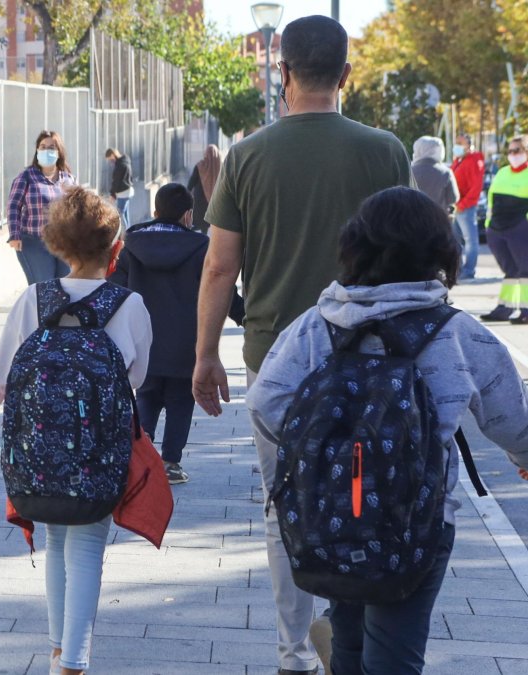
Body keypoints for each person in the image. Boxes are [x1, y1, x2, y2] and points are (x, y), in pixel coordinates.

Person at [248, 186, 528, 675]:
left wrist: (321, 451)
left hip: (334, 513)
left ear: (355, 247)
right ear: (441, 252)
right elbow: (516, 419)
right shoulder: (458, 332)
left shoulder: (315, 324)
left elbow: (265, 401)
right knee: (395, 654)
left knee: (348, 639)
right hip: (418, 523)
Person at [191, 15, 412, 675]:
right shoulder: (386, 152)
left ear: (282, 72)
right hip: (370, 361)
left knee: (284, 504)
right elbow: (406, 260)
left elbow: (219, 268)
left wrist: (204, 354)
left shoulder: (248, 156)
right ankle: (347, 633)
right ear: (347, 75)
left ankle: (293, 652)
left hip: (275, 364)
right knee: (362, 497)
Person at [0, 187, 152, 675]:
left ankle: (57, 650)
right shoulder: (129, 305)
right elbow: (136, 379)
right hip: (99, 452)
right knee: (87, 547)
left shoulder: (35, 299)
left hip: (39, 452)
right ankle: (73, 661)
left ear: (59, 246)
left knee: (56, 543)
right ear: (116, 248)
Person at [108, 183, 243, 485]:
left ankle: (138, 458)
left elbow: (115, 289)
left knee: (146, 397)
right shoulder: (200, 247)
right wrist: (246, 314)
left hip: (144, 344)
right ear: (187, 215)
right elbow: (219, 287)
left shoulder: (132, 246)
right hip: (186, 345)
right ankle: (170, 462)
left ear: (155, 212)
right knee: (181, 401)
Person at [478, 134, 528, 325]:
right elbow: (491, 200)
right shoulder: (502, 173)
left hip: (523, 231)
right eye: (510, 151)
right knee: (511, 271)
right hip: (498, 230)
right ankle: (505, 309)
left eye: (517, 150)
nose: (513, 154)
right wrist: (489, 224)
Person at [7, 131, 77, 285]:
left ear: (59, 152)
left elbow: (76, 209)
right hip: (35, 242)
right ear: (37, 150)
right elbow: (13, 206)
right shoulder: (26, 177)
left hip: (63, 243)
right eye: (43, 147)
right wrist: (14, 235)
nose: (46, 151)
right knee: (44, 287)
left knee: (65, 286)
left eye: (51, 147)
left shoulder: (68, 179)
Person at [452, 134, 486, 280]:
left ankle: (469, 271)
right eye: (456, 143)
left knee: (470, 241)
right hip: (456, 207)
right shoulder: (459, 160)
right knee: (455, 240)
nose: (457, 146)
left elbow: (476, 187)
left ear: (469, 146)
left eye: (460, 143)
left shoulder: (474, 160)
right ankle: (458, 270)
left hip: (466, 207)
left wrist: (463, 204)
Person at [411, 136, 458, 215]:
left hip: (413, 217)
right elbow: (453, 198)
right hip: (437, 217)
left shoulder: (410, 171)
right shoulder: (446, 172)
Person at [186, 144, 222, 234]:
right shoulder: (220, 166)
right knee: (206, 222)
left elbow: (192, 181)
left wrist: (186, 192)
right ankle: (204, 235)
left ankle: (198, 235)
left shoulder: (200, 166)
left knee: (198, 220)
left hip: (200, 198)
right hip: (213, 198)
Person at [105, 147, 134, 228]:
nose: (110, 161)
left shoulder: (120, 165)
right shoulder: (125, 160)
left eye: (110, 159)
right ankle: (129, 230)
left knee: (120, 214)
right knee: (125, 213)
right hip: (128, 190)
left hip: (123, 193)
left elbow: (116, 181)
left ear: (112, 155)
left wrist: (112, 194)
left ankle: (126, 233)